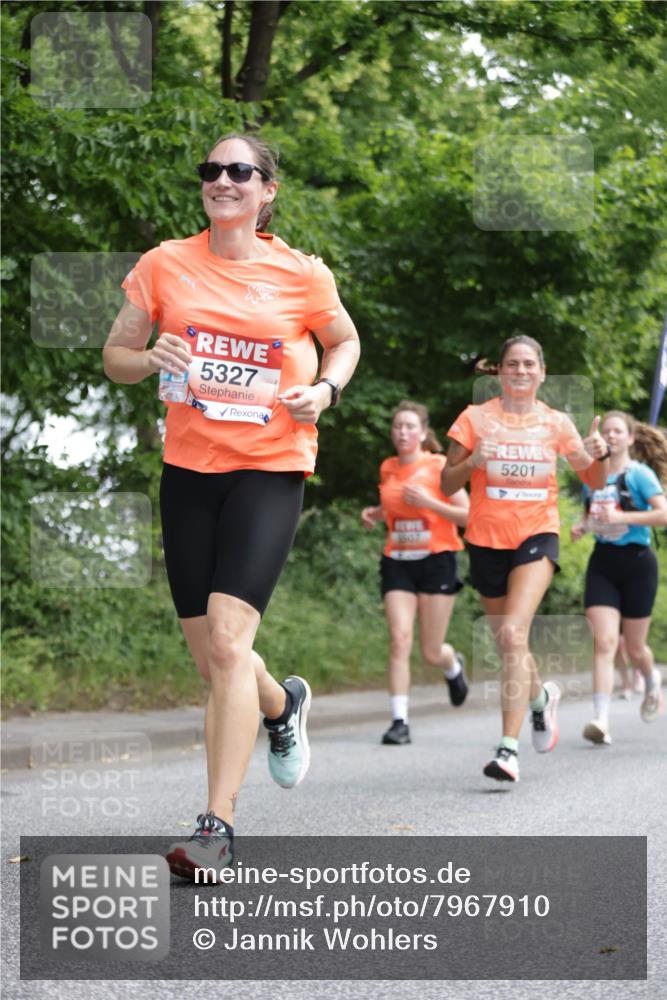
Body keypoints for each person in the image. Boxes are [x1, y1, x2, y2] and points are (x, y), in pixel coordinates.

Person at [103, 133, 360, 878]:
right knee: (215, 663)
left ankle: (216, 826)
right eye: (212, 170)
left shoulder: (300, 273)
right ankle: (282, 706)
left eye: (238, 170)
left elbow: (343, 341)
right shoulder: (163, 265)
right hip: (188, 471)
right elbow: (115, 357)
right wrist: (148, 357)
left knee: (226, 643)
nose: (222, 180)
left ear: (266, 189)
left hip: (271, 468)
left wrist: (326, 389)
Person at [441, 334, 610, 783]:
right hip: (485, 539)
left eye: (527, 364)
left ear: (541, 372)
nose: (519, 371)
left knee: (514, 634)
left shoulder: (556, 423)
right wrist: (474, 458)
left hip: (537, 534)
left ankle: (507, 749)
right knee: (508, 642)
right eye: (511, 364)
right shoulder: (475, 418)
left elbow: (593, 477)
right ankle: (540, 700)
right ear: (499, 370)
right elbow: (445, 484)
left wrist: (601, 455)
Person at [361, 401, 470, 745]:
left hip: (437, 559)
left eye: (410, 426)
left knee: (431, 651)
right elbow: (394, 506)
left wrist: (431, 503)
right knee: (399, 639)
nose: (402, 432)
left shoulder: (439, 465)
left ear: (423, 433)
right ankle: (399, 722)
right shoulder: (388, 467)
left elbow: (467, 515)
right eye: (397, 427)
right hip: (398, 560)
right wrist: (374, 514)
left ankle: (452, 665)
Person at [570, 411, 667, 745]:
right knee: (605, 642)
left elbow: (664, 514)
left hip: (638, 564)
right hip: (604, 563)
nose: (610, 436)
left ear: (630, 438)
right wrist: (583, 526)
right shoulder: (592, 477)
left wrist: (626, 516)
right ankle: (600, 719)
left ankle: (651, 679)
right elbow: (592, 514)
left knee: (636, 647)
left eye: (617, 431)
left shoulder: (639, 475)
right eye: (606, 431)